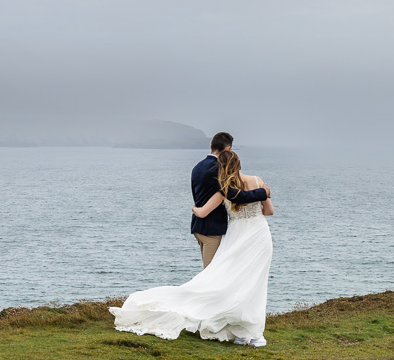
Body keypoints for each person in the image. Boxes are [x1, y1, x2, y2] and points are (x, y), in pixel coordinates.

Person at [110, 143, 275, 346]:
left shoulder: (224, 189)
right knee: (255, 282)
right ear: (239, 163)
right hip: (259, 235)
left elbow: (203, 212)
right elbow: (269, 211)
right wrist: (263, 194)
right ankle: (252, 332)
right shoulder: (258, 181)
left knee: (232, 281)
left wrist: (194, 209)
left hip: (236, 237)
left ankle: (241, 332)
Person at [189, 131, 267, 268]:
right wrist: (262, 192)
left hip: (198, 227)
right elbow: (233, 195)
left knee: (211, 272)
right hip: (212, 230)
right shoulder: (218, 169)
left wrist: (197, 209)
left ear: (211, 146)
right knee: (211, 274)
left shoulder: (197, 167)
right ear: (228, 149)